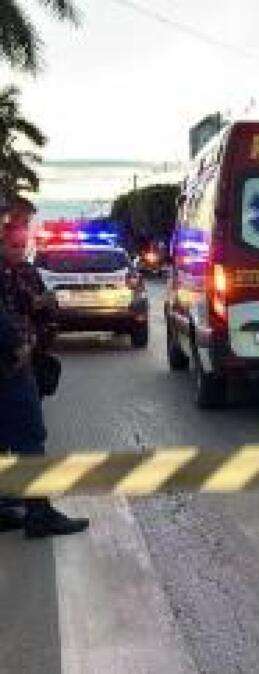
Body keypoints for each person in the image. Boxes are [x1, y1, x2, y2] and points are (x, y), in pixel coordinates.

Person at [1, 200, 89, 538]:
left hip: (22, 361)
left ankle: (8, 505)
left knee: (12, 434)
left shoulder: (24, 271)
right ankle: (38, 514)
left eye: (26, 224)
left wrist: (45, 312)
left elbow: (42, 309)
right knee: (29, 435)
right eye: (16, 224)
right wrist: (19, 344)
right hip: (11, 364)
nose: (22, 230)